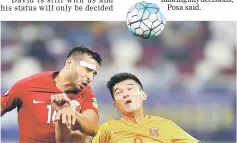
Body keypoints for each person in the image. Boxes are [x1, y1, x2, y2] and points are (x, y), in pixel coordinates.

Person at [1, 45, 102, 142]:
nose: (90, 78)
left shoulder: (86, 93)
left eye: (94, 74)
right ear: (69, 62)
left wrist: (71, 113)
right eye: (88, 70)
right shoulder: (28, 85)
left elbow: (92, 127)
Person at [92, 72, 200, 143]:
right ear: (115, 105)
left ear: (143, 95)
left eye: (130, 89)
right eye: (119, 92)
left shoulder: (164, 125)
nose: (126, 94)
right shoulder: (108, 129)